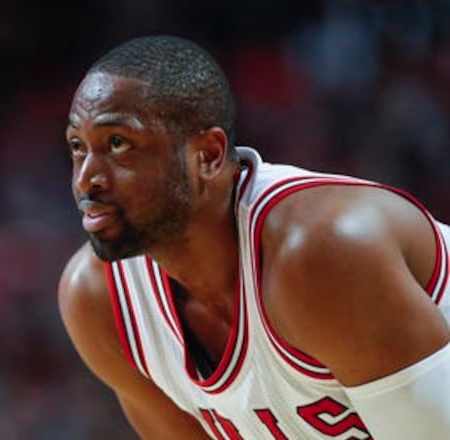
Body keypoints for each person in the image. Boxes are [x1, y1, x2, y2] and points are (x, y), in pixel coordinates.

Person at [58, 35, 450, 440]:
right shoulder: (98, 301)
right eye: (76, 147)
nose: (87, 178)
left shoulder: (320, 254)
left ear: (208, 155)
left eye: (118, 144)